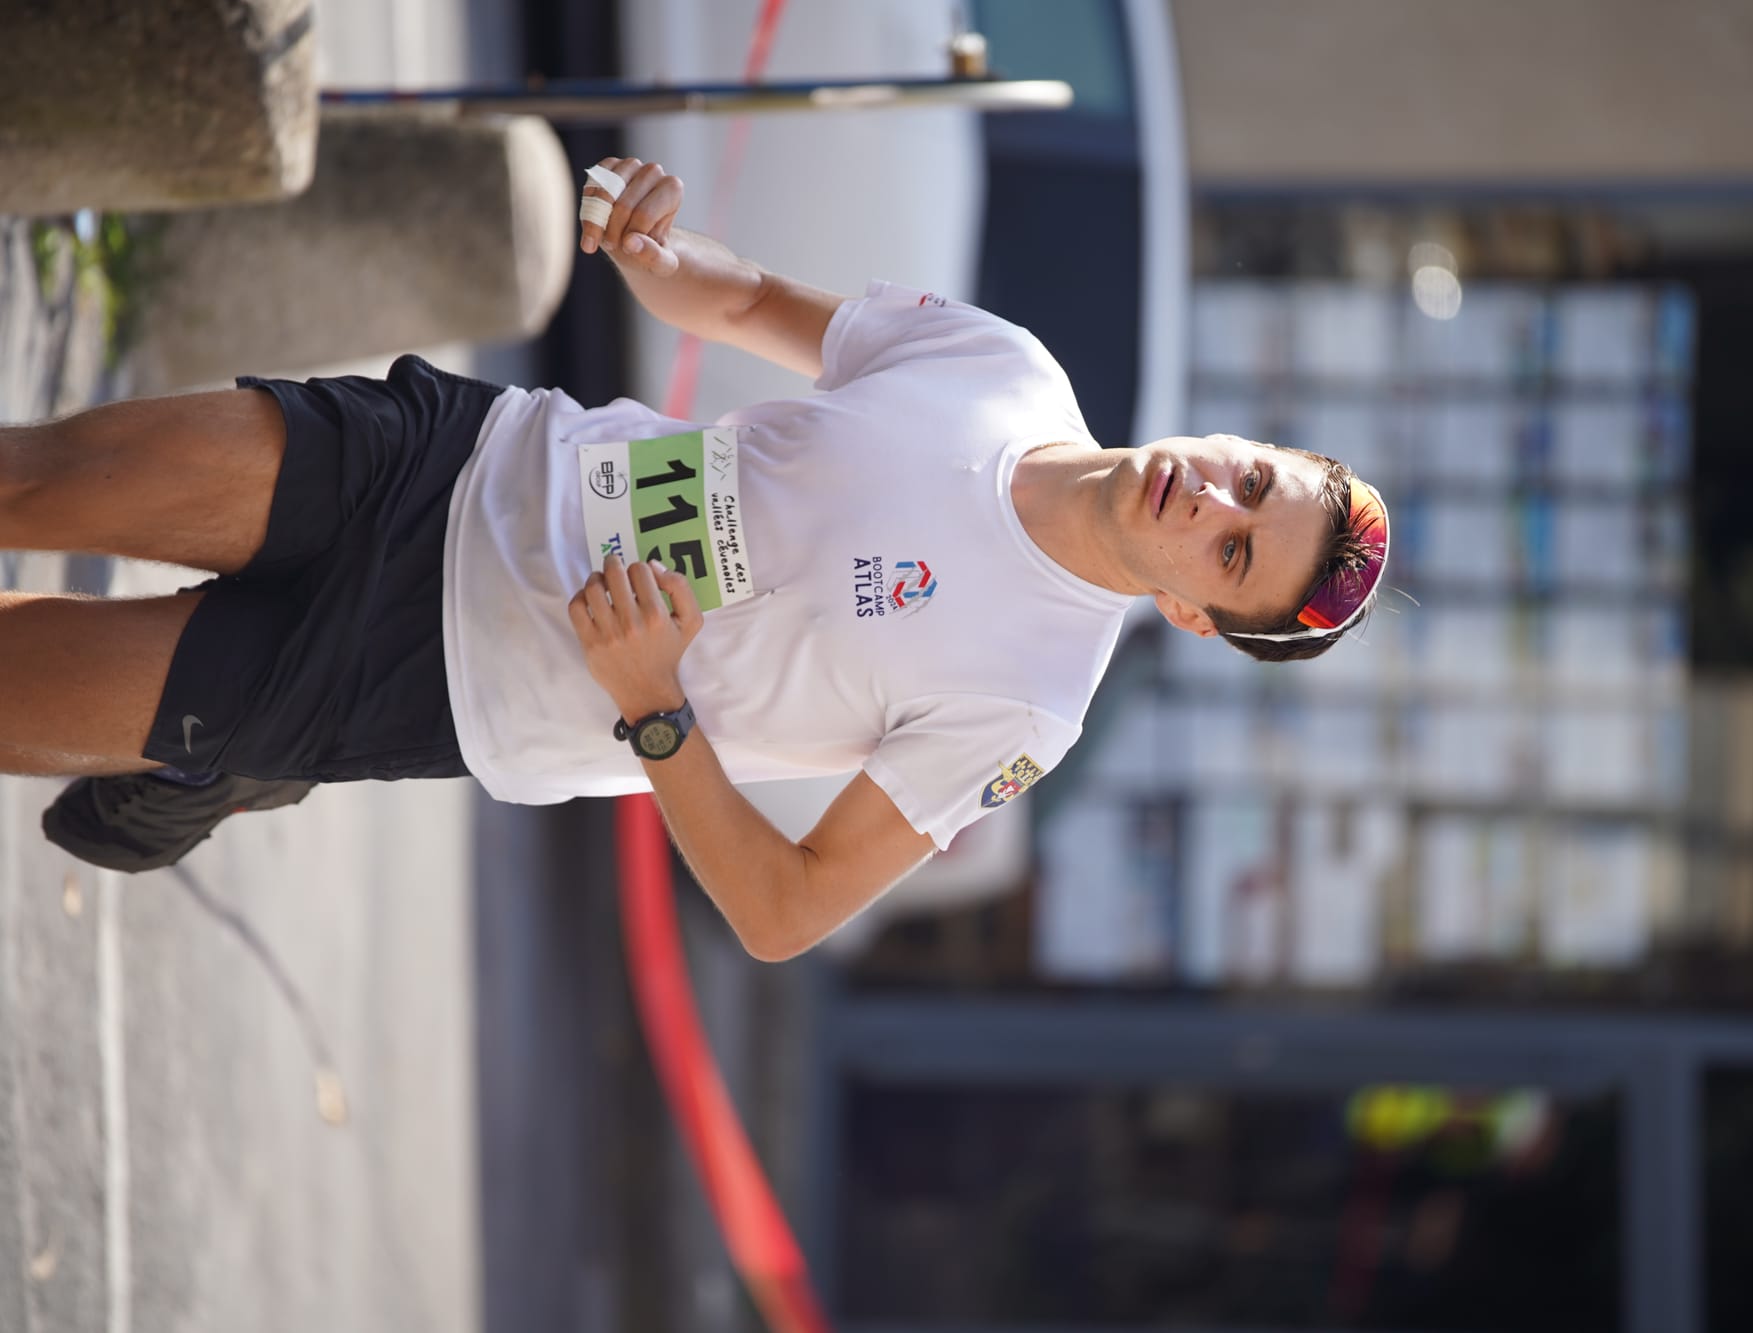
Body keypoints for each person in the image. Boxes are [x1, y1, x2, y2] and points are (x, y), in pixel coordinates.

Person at [1, 158, 1389, 961]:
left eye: (1232, 545)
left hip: (442, 679)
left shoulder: (1027, 702)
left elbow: (785, 912)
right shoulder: (1008, 367)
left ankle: (227, 754)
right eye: (1249, 476)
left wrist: (657, 711)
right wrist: (656, 248)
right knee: (38, 477)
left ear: (1194, 612)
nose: (1209, 494)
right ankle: (216, 759)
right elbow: (746, 302)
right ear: (1239, 435)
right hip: (464, 461)